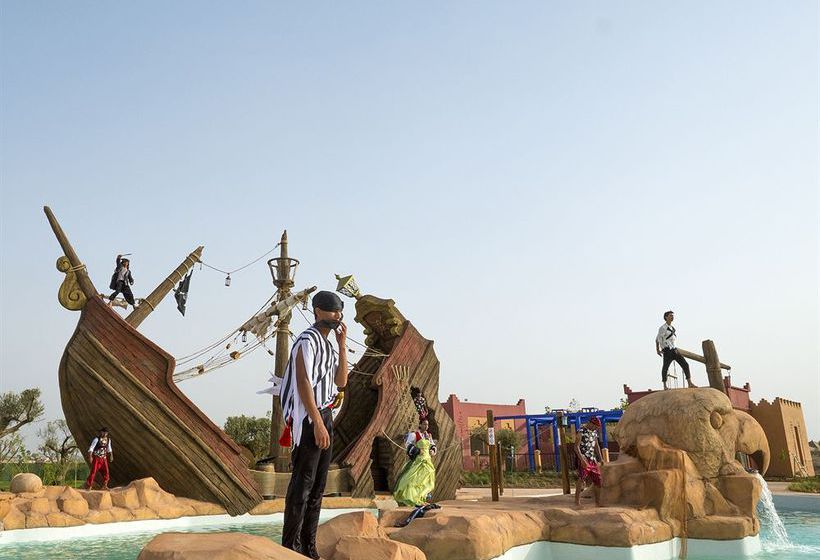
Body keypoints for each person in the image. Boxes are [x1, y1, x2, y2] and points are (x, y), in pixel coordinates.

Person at [279, 291, 348, 559]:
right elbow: (303, 382)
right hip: (309, 418)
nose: (338, 316)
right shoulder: (306, 341)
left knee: (318, 487)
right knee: (302, 485)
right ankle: (290, 546)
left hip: (326, 414)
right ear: (318, 311)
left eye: (340, 311)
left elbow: (341, 382)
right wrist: (317, 423)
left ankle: (309, 546)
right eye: (332, 310)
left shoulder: (329, 345)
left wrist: (342, 346)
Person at [393, 416, 437, 507]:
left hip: (427, 461)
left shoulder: (428, 436)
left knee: (425, 481)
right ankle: (414, 499)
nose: (426, 426)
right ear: (420, 424)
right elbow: (408, 445)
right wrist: (417, 450)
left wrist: (433, 450)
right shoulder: (414, 435)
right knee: (413, 480)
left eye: (427, 424)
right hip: (418, 460)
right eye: (424, 424)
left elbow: (433, 445)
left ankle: (421, 499)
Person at [655, 310, 696, 390]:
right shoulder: (662, 328)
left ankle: (689, 383)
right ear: (666, 317)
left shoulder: (672, 328)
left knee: (685, 364)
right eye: (670, 315)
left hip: (674, 350)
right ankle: (665, 385)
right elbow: (658, 339)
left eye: (672, 315)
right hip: (667, 350)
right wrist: (659, 349)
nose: (672, 317)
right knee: (665, 367)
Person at [574, 417, 602, 507]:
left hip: (592, 458)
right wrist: (582, 460)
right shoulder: (581, 430)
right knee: (581, 478)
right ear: (590, 423)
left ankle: (597, 502)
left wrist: (600, 458)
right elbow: (576, 447)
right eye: (595, 426)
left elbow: (596, 445)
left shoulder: (594, 432)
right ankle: (577, 502)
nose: (595, 429)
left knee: (598, 479)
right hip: (584, 457)